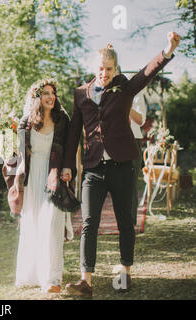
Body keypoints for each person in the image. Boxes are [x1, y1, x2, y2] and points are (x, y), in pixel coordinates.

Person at [61, 32, 181, 297]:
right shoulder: (81, 94)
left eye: (109, 69)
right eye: (100, 68)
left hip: (123, 165)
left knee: (125, 221)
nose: (104, 73)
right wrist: (68, 164)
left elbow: (146, 73)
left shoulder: (124, 87)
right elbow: (73, 133)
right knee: (89, 223)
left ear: (116, 69)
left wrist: (167, 49)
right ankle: (85, 281)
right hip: (93, 169)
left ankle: (126, 273)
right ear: (94, 68)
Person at [3, 79, 76, 294]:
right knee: (33, 223)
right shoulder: (26, 122)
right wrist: (3, 145)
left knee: (52, 222)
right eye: (46, 93)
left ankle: (52, 278)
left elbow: (71, 149)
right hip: (32, 178)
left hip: (53, 174)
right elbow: (16, 155)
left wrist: (68, 168)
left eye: (53, 93)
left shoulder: (62, 120)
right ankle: (31, 274)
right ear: (37, 97)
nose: (50, 96)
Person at [130, 92, 148, 225]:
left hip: (132, 140)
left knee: (130, 183)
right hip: (113, 140)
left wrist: (125, 105)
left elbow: (140, 120)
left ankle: (130, 222)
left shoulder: (136, 96)